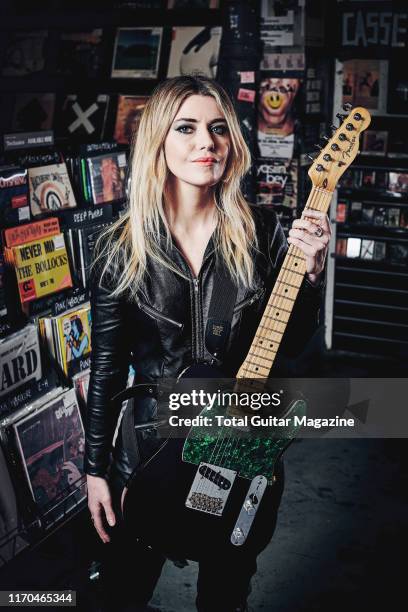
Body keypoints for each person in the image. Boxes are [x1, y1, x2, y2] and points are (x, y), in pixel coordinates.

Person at [85, 75, 331, 612]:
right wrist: (95, 470)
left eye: (219, 129)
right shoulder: (116, 249)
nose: (207, 143)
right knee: (119, 594)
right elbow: (106, 370)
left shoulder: (262, 231)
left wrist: (310, 277)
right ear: (159, 140)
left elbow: (290, 342)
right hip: (150, 454)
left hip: (242, 446)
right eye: (188, 128)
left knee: (226, 594)